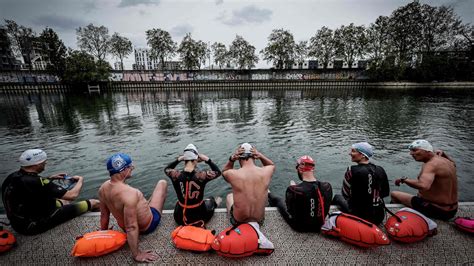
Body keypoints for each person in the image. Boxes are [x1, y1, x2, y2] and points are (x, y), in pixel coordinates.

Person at [1, 149, 99, 235]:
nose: (45, 164)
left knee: (64, 201)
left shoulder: (12, 177)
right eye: (44, 162)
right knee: (95, 202)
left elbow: (29, 186)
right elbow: (72, 195)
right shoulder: (37, 181)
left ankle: (72, 211)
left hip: (18, 223)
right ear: (37, 164)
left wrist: (50, 178)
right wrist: (80, 180)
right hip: (35, 225)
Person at [98, 153, 167, 262]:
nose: (132, 169)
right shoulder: (130, 193)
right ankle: (149, 204)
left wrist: (104, 233)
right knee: (162, 183)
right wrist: (137, 254)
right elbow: (131, 227)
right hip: (147, 226)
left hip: (123, 227)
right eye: (130, 167)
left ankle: (147, 202)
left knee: (142, 200)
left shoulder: (102, 189)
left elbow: (104, 215)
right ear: (123, 170)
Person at [391, 139, 458, 220]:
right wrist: (444, 154)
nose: (411, 153)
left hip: (437, 210)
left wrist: (404, 180)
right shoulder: (446, 161)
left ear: (427, 151)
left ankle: (397, 217)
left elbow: (423, 185)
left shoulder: (430, 165)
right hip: (452, 210)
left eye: (415, 150)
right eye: (411, 151)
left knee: (394, 194)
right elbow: (454, 164)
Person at [268, 155, 332, 232]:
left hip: (300, 228)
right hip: (320, 224)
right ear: (313, 169)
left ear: (300, 169)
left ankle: (268, 193)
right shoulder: (327, 186)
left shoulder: (294, 190)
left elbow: (290, 211)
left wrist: (293, 189)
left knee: (278, 200)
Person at [332, 142, 389, 225]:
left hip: (360, 216)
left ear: (362, 155)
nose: (350, 153)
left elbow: (345, 195)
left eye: (353, 151)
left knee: (337, 197)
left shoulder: (351, 171)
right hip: (379, 216)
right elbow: (384, 193)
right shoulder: (380, 169)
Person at [164, 144, 222, 226]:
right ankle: (215, 203)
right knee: (211, 199)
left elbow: (166, 169)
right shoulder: (201, 176)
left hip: (179, 218)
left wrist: (178, 159)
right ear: (196, 160)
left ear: (184, 160)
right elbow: (218, 172)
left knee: (180, 202)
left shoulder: (175, 175)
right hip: (200, 218)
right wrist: (207, 159)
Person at [223, 143, 275, 225]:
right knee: (266, 190)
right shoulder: (266, 172)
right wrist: (260, 155)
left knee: (229, 196)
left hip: (238, 222)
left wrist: (231, 159)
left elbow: (224, 172)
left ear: (239, 158)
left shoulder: (233, 174)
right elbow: (271, 165)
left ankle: (231, 219)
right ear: (254, 157)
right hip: (259, 221)